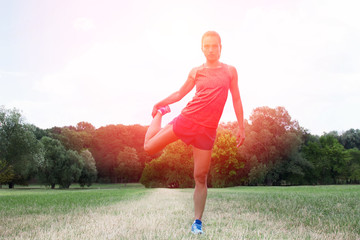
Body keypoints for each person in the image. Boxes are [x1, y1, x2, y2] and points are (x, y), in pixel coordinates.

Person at [143, 31, 245, 235]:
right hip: (187, 120)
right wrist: (161, 103)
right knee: (148, 148)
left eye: (214, 46)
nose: (211, 49)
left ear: (221, 47)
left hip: (206, 131)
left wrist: (241, 127)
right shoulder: (196, 71)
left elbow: (236, 99)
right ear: (202, 48)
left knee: (200, 176)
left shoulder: (230, 71)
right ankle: (160, 115)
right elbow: (181, 93)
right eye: (207, 46)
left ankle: (197, 221)